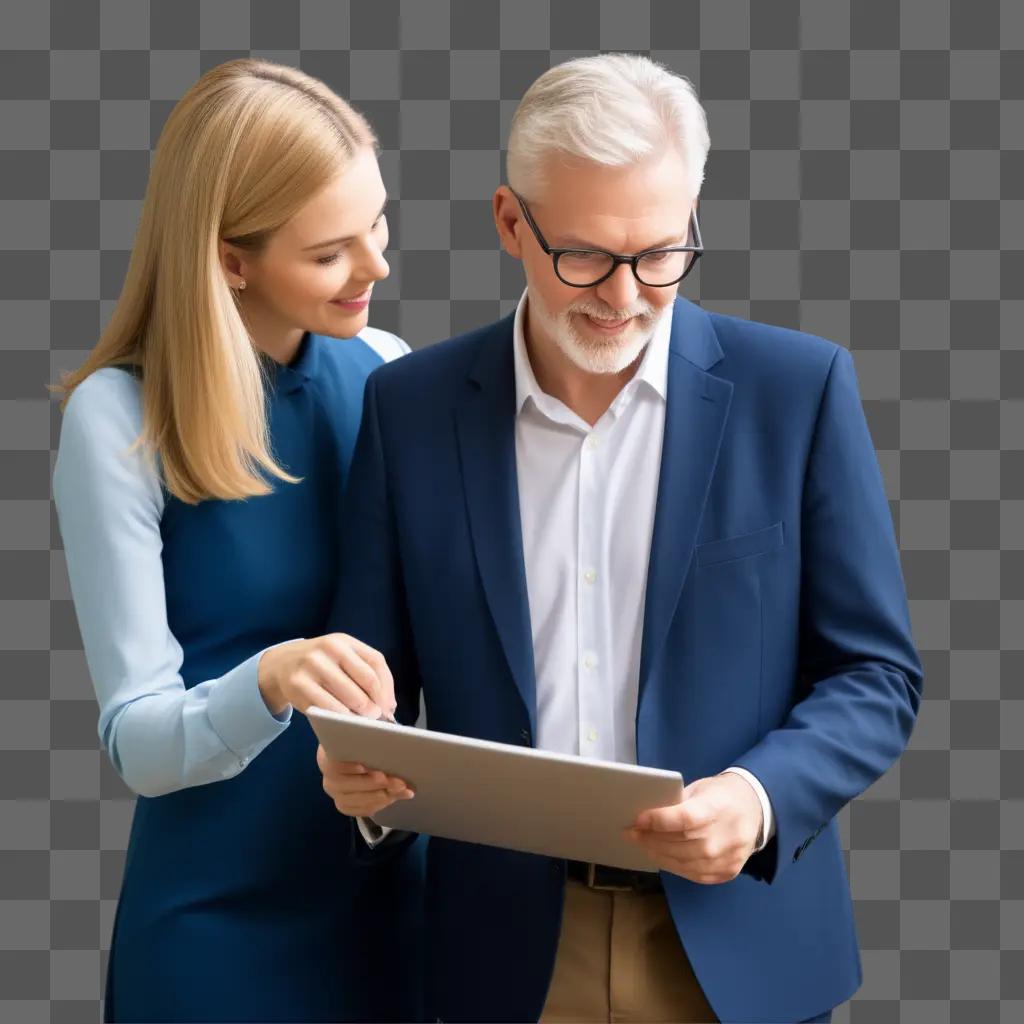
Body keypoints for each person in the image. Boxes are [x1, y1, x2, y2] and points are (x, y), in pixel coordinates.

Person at [318, 53, 923, 1024]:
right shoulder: (410, 410)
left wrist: (758, 798)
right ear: (512, 222)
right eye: (587, 257)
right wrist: (361, 770)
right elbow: (367, 679)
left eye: (660, 254)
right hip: (497, 956)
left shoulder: (797, 393)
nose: (626, 296)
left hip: (742, 954)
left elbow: (876, 674)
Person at [51, 59, 425, 1023]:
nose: (377, 267)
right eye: (331, 251)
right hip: (215, 931)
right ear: (230, 258)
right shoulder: (119, 418)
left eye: (378, 223)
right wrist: (268, 681)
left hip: (390, 900)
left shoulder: (390, 373)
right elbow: (137, 742)